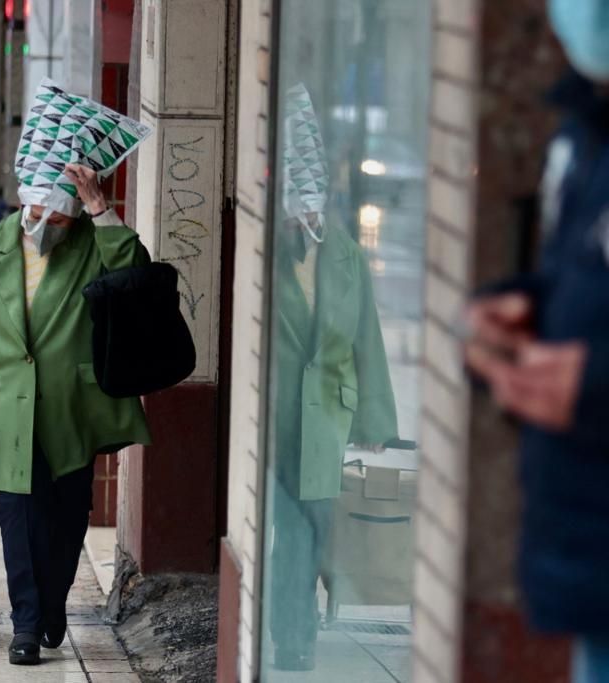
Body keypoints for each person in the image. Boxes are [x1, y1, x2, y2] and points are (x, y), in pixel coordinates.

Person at [0, 163, 151, 666]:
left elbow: (134, 274)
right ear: (22, 204)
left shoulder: (92, 242)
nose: (44, 227)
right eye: (36, 215)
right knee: (19, 516)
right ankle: (26, 624)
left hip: (73, 402)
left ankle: (53, 604)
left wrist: (99, 207)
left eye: (59, 221)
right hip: (7, 401)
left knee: (70, 513)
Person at [465, 3, 609, 681]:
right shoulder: (583, 135)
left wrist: (593, 379)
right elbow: (580, 279)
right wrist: (516, 315)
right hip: (585, 543)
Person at [269, 83, 398, 672]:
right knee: (291, 534)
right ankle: (293, 637)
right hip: (278, 419)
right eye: (300, 205)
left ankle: (298, 626)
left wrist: (376, 422)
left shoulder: (347, 256)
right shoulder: (266, 256)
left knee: (316, 531)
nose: (309, 217)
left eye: (315, 205)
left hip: (329, 417)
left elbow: (367, 339)